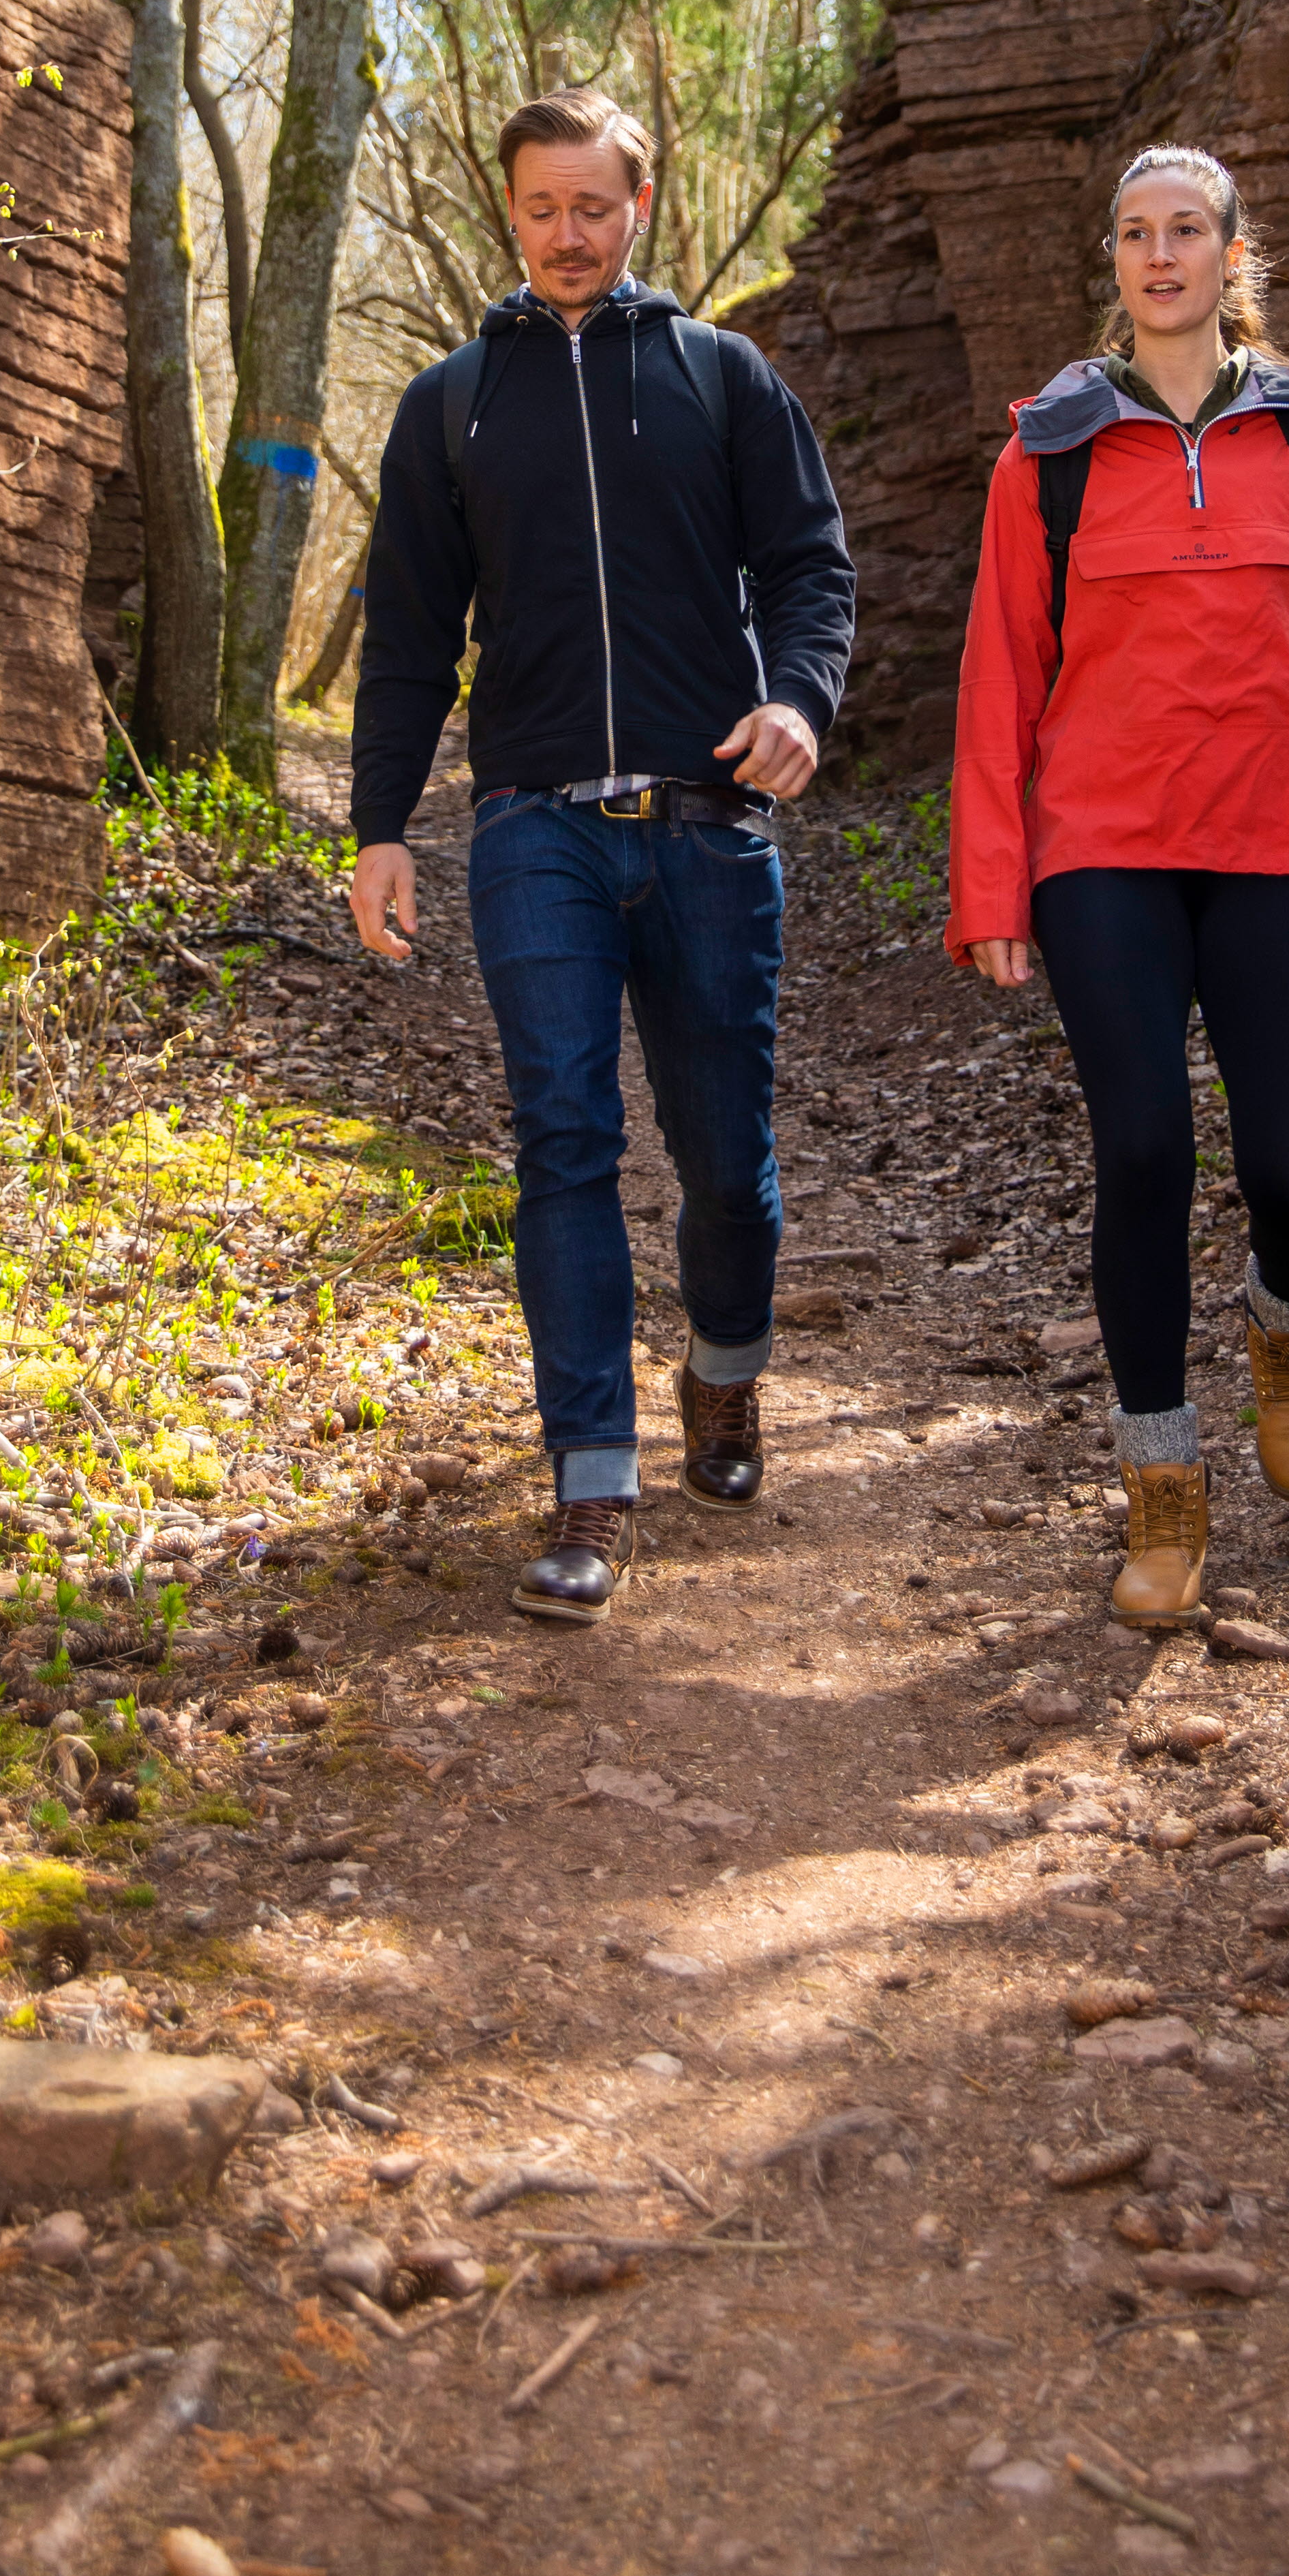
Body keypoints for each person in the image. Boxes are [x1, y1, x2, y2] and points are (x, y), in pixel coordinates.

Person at [946, 144, 1289, 1630]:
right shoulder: (1047, 454)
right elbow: (1000, 675)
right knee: (1137, 1150)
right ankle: (1162, 1494)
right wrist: (991, 882)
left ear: (1229, 252)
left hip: (1282, 839)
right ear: (1112, 263)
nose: (1159, 253)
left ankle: (1286, 1321)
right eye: (1134, 232)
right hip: (1102, 849)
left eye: (1184, 228)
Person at [350, 83, 857, 1626]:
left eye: (594, 204)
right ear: (508, 215)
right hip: (531, 828)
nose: (567, 234)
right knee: (560, 1136)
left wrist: (796, 700)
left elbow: (808, 566)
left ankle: (722, 1371)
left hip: (708, 826)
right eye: (540, 209)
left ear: (640, 205)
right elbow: (410, 637)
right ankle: (587, 1475)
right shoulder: (451, 404)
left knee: (723, 1161)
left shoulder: (720, 376)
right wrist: (380, 823)